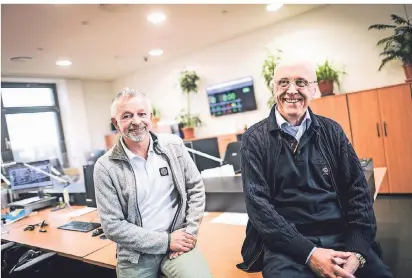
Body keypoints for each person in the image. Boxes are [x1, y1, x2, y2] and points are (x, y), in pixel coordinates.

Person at [237, 61, 393, 278]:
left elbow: (358, 193)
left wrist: (357, 252)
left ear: (313, 89)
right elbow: (259, 208)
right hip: (287, 247)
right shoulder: (254, 140)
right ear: (274, 89)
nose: (292, 90)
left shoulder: (332, 131)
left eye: (300, 82)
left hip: (341, 236)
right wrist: (309, 253)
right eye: (283, 83)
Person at [94, 88, 212, 278]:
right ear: (116, 123)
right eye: (127, 116)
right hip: (136, 253)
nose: (136, 121)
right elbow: (112, 225)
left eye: (142, 114)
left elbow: (195, 188)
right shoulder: (105, 166)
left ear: (151, 116)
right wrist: (165, 241)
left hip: (179, 241)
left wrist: (189, 233)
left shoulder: (174, 146)